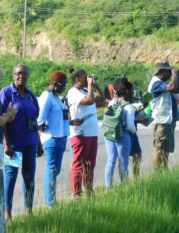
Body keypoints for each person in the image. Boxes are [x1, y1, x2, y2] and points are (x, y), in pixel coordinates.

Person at [0, 64, 40, 219]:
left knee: (29, 176)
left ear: (28, 75)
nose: (21, 77)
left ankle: (28, 210)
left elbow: (34, 120)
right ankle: (7, 212)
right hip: (14, 145)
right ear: (13, 75)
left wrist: (39, 143)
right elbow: (2, 120)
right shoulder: (7, 93)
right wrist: (7, 143)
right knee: (11, 176)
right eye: (18, 74)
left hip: (30, 142)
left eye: (24, 74)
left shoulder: (30, 94)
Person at [67, 68, 105, 199]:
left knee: (90, 164)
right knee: (79, 164)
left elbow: (101, 100)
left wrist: (96, 85)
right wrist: (90, 85)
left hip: (92, 132)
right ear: (77, 79)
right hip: (80, 134)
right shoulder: (73, 92)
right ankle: (76, 193)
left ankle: (89, 190)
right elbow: (88, 101)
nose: (87, 78)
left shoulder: (86, 90)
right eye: (85, 77)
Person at [37, 71, 70, 207]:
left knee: (56, 170)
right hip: (52, 138)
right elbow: (40, 119)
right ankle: (50, 202)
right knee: (51, 169)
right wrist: (42, 129)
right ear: (55, 84)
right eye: (64, 84)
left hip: (61, 137)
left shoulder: (55, 97)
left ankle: (52, 200)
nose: (65, 87)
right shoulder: (46, 97)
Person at [104, 78, 136, 188]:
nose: (133, 92)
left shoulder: (113, 102)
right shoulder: (129, 107)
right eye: (132, 90)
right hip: (123, 135)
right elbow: (131, 127)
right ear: (127, 91)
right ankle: (124, 186)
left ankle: (108, 187)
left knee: (110, 161)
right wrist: (134, 131)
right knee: (123, 163)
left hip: (109, 134)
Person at [148, 61, 178, 169]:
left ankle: (163, 172)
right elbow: (172, 87)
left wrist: (176, 77)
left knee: (165, 150)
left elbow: (176, 88)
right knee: (159, 149)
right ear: (161, 72)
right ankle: (157, 173)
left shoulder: (162, 83)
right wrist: (174, 75)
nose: (170, 73)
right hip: (160, 121)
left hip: (167, 120)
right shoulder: (156, 83)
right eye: (168, 71)